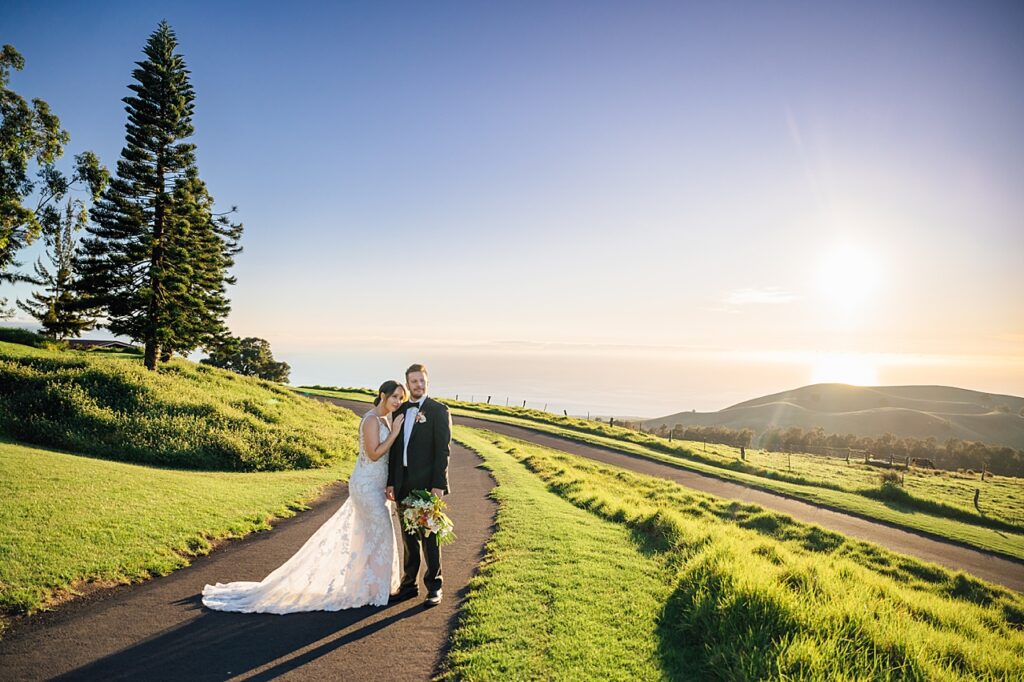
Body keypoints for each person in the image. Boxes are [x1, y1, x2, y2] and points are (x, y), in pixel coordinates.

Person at [200, 380, 406, 613]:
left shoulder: (385, 419)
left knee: (371, 537)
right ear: (383, 395)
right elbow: (375, 453)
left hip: (376, 486)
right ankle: (373, 589)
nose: (398, 402)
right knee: (381, 534)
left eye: (401, 398)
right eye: (395, 397)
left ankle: (369, 588)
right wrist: (396, 431)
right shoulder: (371, 420)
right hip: (366, 486)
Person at [386, 363, 451, 607]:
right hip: (403, 484)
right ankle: (408, 586)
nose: (418, 385)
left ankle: (434, 588)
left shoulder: (438, 411)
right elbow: (394, 450)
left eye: (422, 381)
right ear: (407, 384)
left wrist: (438, 485)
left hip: (426, 487)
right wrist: (392, 481)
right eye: (414, 382)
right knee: (409, 539)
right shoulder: (399, 410)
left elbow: (442, 451)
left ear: (427, 382)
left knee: (430, 538)